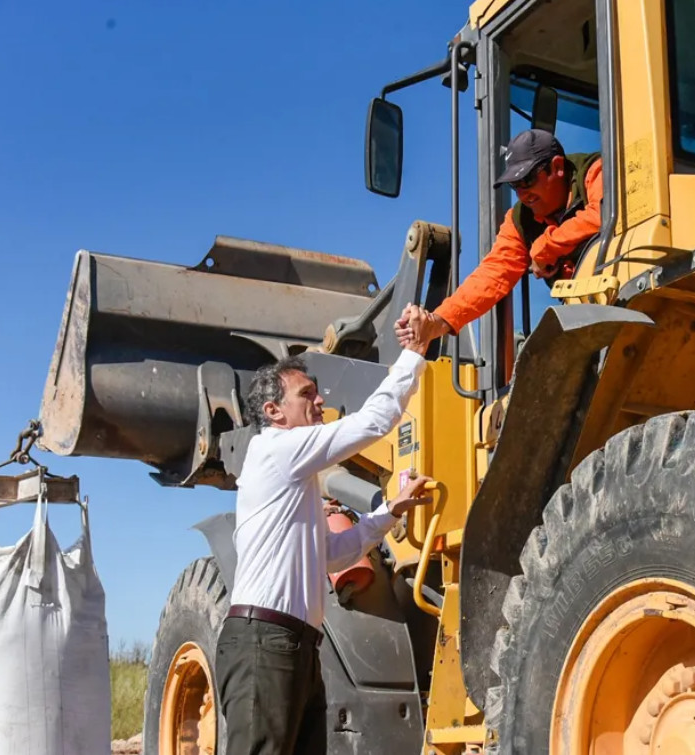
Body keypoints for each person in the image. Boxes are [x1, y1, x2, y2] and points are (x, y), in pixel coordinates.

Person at [215, 317, 435, 755]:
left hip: (293, 646)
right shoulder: (278, 449)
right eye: (306, 395)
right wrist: (416, 351)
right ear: (273, 412)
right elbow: (373, 423)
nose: (319, 402)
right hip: (265, 643)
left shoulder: (296, 481)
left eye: (317, 393)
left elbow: (333, 555)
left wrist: (389, 512)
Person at [398, 128, 602, 343]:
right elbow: (492, 274)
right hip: (584, 322)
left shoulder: (596, 172)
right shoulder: (520, 221)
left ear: (558, 167)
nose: (523, 194)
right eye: (515, 186)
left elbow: (603, 215)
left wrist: (547, 247)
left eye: (528, 180)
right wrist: (437, 321)